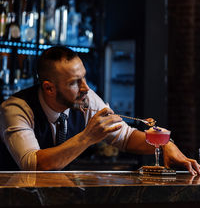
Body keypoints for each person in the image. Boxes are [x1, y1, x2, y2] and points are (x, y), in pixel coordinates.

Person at [0, 46, 199, 175]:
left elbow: (126, 136)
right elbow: (33, 165)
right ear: (49, 88)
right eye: (74, 82)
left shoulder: (86, 98)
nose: (85, 87)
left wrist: (165, 145)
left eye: (84, 77)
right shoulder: (16, 109)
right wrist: (87, 137)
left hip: (57, 195)